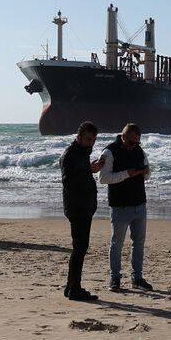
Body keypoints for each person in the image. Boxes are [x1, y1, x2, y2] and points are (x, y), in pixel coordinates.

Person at [98, 122, 152, 291]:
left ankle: (137, 278)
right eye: (131, 142)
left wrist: (145, 172)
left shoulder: (139, 151)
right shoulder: (109, 152)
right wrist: (127, 174)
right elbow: (103, 178)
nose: (134, 146)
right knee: (117, 244)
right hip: (120, 205)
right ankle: (115, 278)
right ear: (123, 137)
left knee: (139, 243)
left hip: (139, 203)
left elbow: (148, 175)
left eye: (137, 142)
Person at [60, 121, 105, 301]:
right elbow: (68, 181)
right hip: (77, 207)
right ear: (79, 137)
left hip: (82, 206)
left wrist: (89, 169)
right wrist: (89, 169)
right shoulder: (71, 154)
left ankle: (71, 286)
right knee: (79, 249)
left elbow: (78, 176)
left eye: (93, 140)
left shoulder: (80, 153)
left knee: (79, 248)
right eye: (88, 139)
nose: (91, 143)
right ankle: (74, 289)